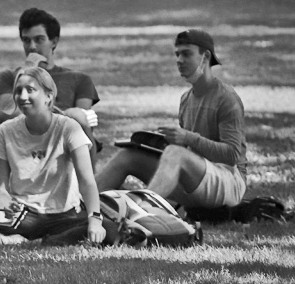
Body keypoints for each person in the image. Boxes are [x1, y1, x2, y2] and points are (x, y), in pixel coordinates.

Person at [0, 67, 105, 246]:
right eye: (18, 91)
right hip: (23, 216)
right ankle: (46, 242)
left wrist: (95, 219)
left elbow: (87, 181)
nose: (22, 97)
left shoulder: (69, 128)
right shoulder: (5, 131)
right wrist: (5, 203)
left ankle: (27, 241)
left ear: (49, 96)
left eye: (30, 90)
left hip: (65, 214)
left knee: (108, 228)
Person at [96, 29, 246, 209]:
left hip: (230, 182)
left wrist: (187, 139)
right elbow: (190, 153)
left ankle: (141, 212)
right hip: (197, 181)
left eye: (186, 54)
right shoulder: (186, 99)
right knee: (128, 156)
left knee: (176, 153)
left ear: (205, 57)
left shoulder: (226, 98)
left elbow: (232, 156)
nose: (179, 60)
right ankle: (81, 208)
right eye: (177, 54)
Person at [0, 8, 100, 149]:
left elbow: (81, 125)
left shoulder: (80, 79)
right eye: (26, 40)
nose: (32, 47)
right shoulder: (8, 77)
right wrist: (28, 73)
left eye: (39, 40)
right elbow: (8, 116)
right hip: (23, 147)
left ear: (53, 42)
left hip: (66, 148)